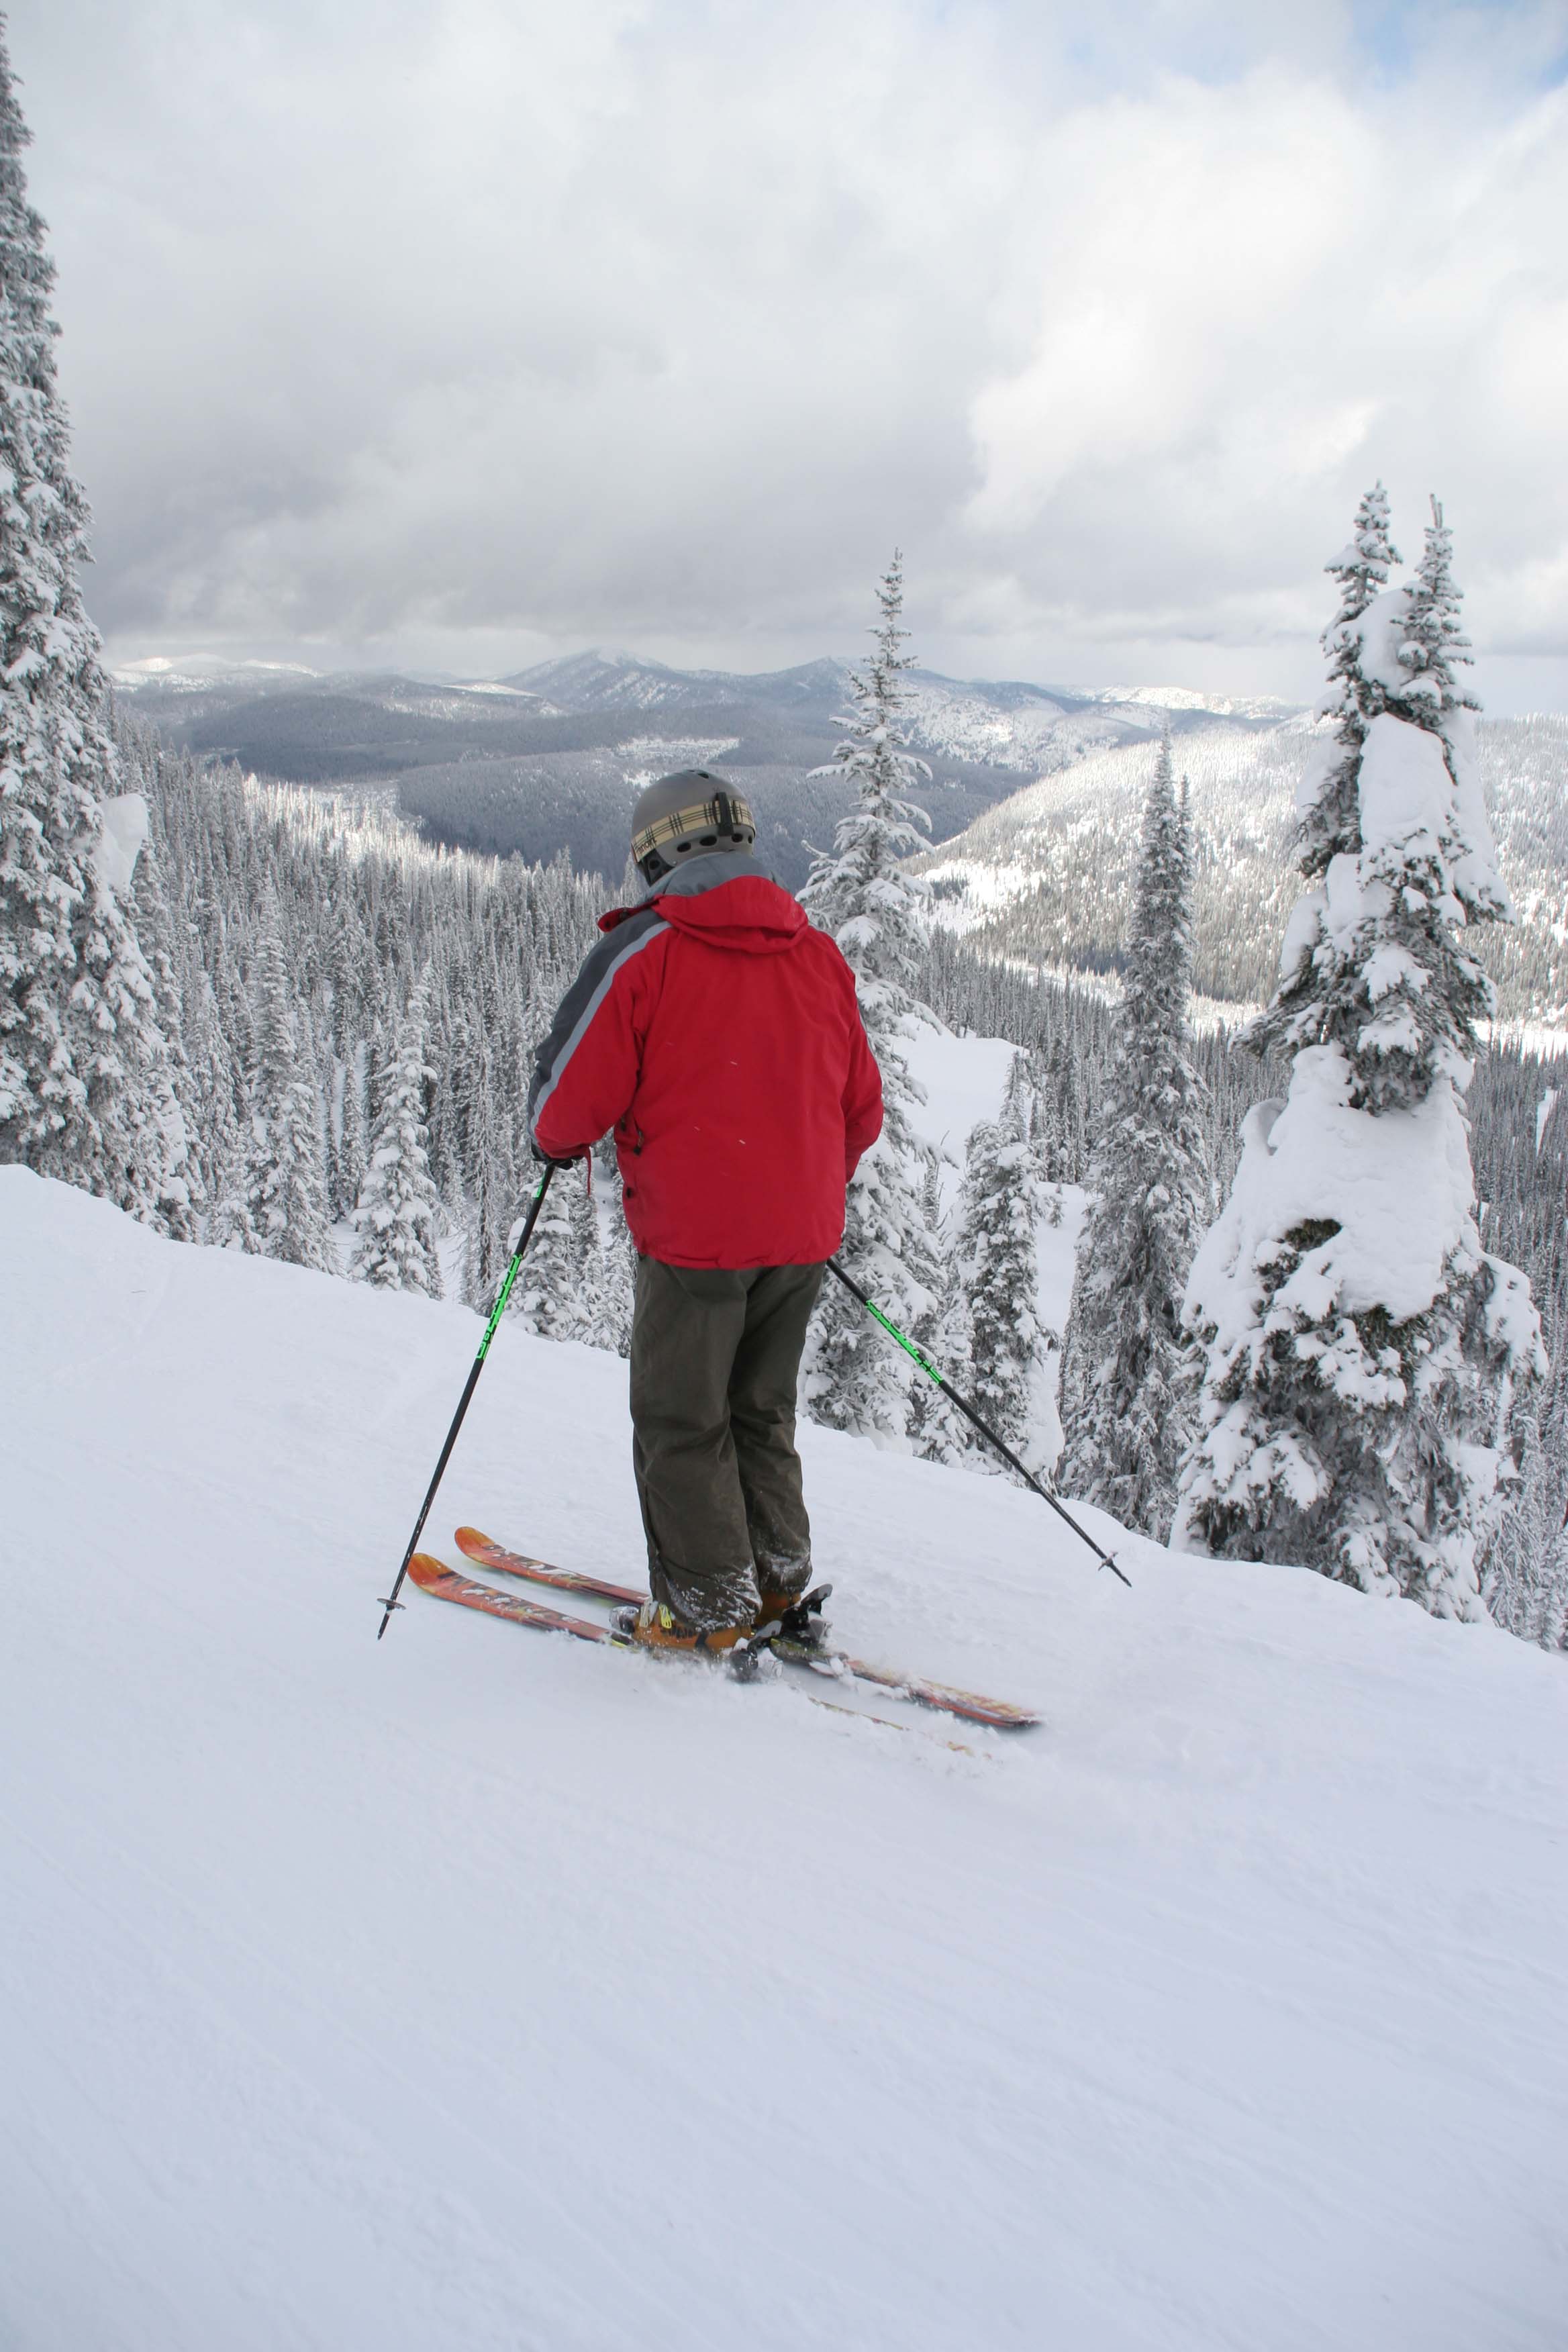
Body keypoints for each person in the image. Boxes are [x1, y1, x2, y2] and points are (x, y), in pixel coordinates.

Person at [527, 768, 883, 1653]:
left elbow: (564, 1105)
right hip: (799, 1241)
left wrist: (554, 1146)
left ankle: (704, 1603)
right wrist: (795, 1187)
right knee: (760, 1411)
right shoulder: (818, 956)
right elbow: (862, 1111)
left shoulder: (645, 953)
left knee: (684, 1420)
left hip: (695, 1245)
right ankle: (776, 1585)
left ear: (657, 854)